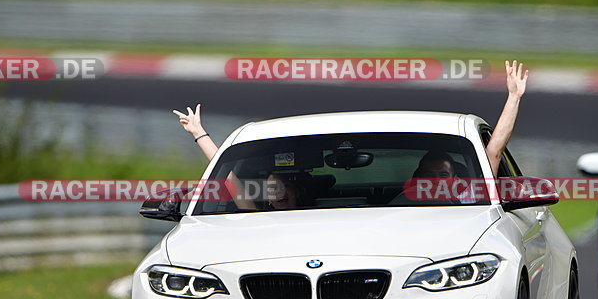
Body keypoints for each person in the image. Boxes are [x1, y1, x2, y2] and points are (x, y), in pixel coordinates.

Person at [173, 60, 529, 207]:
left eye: (443, 174)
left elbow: (494, 149)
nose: (436, 180)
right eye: (272, 188)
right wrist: (200, 135)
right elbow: (231, 179)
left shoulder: (475, 199)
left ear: (459, 177)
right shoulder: (254, 213)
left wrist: (513, 97)